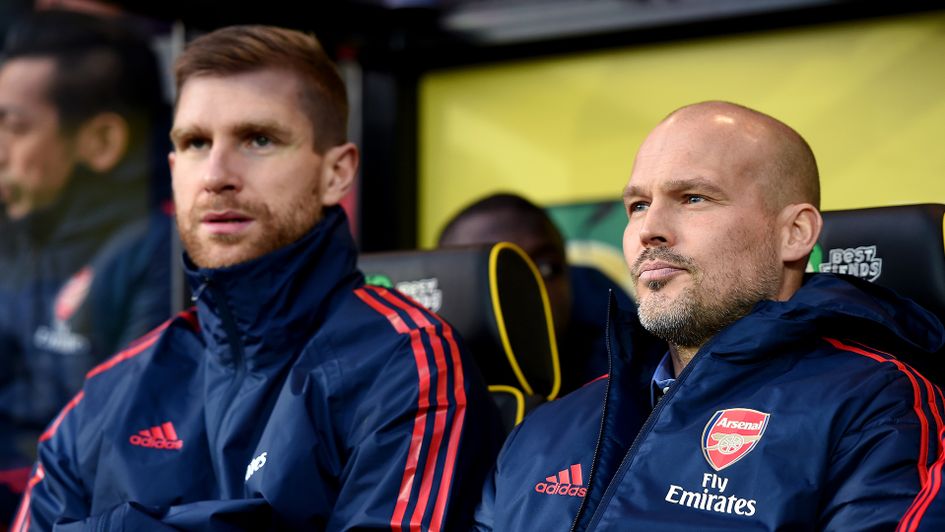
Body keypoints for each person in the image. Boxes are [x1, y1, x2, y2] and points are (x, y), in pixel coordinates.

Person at [13, 25, 502, 531]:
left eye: (259, 139)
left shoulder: (408, 364)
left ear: (336, 173)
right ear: (174, 166)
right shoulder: (109, 392)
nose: (217, 174)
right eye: (196, 142)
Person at [473, 101, 945, 530]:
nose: (649, 230)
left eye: (693, 198)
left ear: (795, 234)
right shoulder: (546, 427)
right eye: (638, 205)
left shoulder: (881, 409)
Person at [0, 10, 171, 522]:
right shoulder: (20, 232)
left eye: (15, 127)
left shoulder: (166, 254)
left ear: (101, 142)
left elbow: (122, 456)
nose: (1, 151)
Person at [438, 193, 635, 394]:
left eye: (547, 269)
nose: (530, 287)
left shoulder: (628, 384)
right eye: (496, 274)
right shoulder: (419, 387)